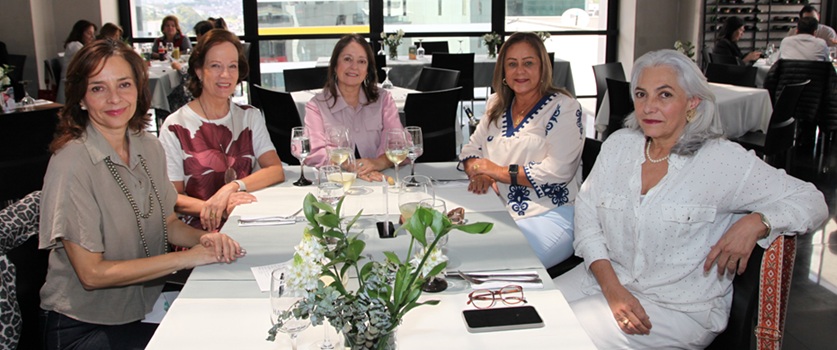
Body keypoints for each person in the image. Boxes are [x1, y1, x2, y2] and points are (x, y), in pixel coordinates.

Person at [554, 49, 827, 349]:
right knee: (525, 313)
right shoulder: (619, 146)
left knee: (551, 335)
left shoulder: (721, 161)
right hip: (604, 280)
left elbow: (811, 200)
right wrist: (612, 288)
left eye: (665, 95)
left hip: (677, 308)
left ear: (693, 102)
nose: (649, 107)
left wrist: (758, 222)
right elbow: (588, 218)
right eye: (641, 94)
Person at [39, 39, 245, 349]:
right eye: (98, 88)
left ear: (139, 89)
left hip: (143, 308)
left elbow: (168, 222)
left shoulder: (147, 146)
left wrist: (205, 240)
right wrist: (188, 257)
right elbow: (92, 274)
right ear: (81, 98)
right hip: (83, 327)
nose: (114, 98)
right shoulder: (71, 163)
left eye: (124, 84)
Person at [459, 32, 583, 269]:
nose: (520, 71)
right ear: (503, 71)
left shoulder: (564, 108)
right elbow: (471, 150)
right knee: (459, 250)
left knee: (495, 264)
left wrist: (496, 171)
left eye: (528, 63)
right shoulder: (496, 104)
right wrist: (480, 172)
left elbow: (559, 171)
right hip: (499, 206)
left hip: (549, 213)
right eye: (512, 64)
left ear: (542, 67)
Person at [159, 29, 285, 232]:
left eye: (232, 66)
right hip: (199, 233)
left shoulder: (249, 117)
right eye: (215, 66)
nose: (225, 75)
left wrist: (232, 187)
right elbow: (173, 198)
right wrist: (220, 208)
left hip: (246, 223)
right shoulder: (176, 126)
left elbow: (275, 170)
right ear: (199, 71)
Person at [303, 34, 402, 182]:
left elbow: (399, 144)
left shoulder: (384, 99)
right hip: (335, 182)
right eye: (347, 59)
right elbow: (314, 152)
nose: (354, 67)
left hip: (380, 179)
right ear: (335, 65)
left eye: (361, 61)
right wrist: (350, 165)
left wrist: (378, 163)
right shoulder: (316, 105)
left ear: (367, 70)